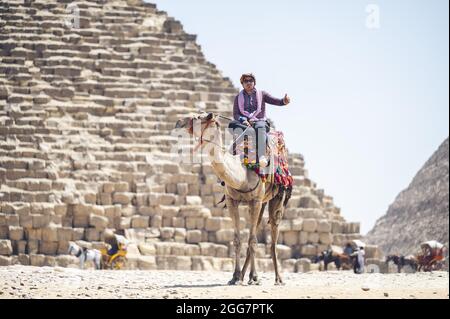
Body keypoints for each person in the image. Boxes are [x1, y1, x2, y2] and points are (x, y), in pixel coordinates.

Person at [228, 73, 290, 167]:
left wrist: (283, 101)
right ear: (242, 83)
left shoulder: (262, 94)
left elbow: (275, 101)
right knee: (232, 125)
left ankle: (261, 156)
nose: (248, 83)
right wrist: (243, 120)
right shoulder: (238, 98)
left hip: (259, 121)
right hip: (245, 124)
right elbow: (236, 114)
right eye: (246, 81)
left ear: (254, 82)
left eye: (251, 81)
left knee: (260, 127)